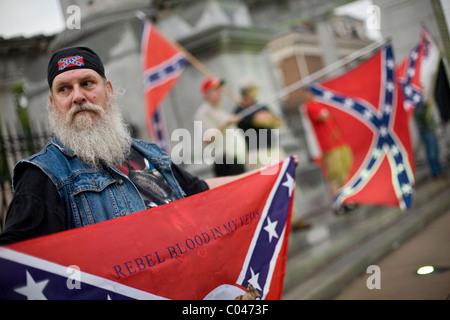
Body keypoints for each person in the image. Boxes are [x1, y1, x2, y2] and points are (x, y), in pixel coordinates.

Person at [0, 47, 280, 245]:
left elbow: (199, 191)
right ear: (53, 103)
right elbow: (18, 259)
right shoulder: (43, 175)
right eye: (64, 89)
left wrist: (273, 176)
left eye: (87, 83)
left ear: (108, 90)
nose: (78, 97)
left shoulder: (150, 153)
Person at [303, 89, 354, 213]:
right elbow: (322, 115)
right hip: (328, 145)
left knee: (345, 171)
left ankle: (346, 199)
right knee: (334, 174)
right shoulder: (310, 106)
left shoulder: (324, 103)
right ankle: (337, 203)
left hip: (339, 141)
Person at [195, 77, 246, 177]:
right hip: (225, 162)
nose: (220, 92)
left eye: (220, 89)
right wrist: (226, 123)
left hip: (236, 160)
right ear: (206, 94)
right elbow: (207, 139)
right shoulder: (204, 113)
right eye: (215, 90)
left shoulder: (220, 111)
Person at [234, 79, 284, 171]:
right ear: (248, 91)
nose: (257, 92)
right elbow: (258, 120)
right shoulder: (240, 110)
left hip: (273, 148)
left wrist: (267, 117)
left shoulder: (261, 106)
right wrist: (268, 117)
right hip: (257, 152)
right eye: (254, 89)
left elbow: (278, 122)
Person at [413, 99, 443, 178]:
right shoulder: (417, 103)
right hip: (426, 130)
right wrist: (426, 107)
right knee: (432, 152)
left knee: (435, 150)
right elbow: (421, 115)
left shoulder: (422, 102)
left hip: (430, 129)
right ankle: (435, 172)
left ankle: (438, 170)